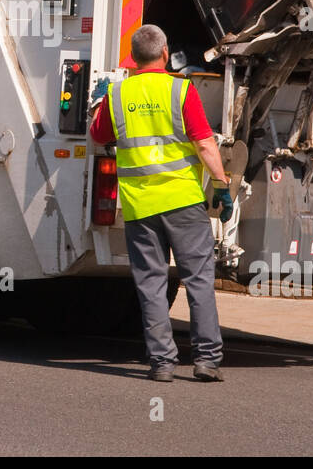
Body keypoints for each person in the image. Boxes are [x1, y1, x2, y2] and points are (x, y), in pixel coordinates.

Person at [89, 24, 232, 382]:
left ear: (133, 58)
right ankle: (206, 361)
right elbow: (203, 144)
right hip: (183, 201)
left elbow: (97, 136)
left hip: (141, 207)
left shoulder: (118, 94)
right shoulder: (181, 90)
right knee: (198, 280)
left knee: (151, 284)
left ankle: (162, 364)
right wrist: (221, 184)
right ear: (165, 53)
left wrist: (97, 102)